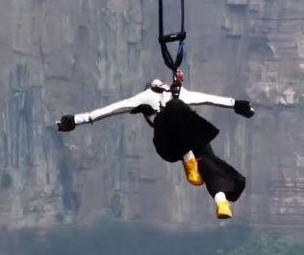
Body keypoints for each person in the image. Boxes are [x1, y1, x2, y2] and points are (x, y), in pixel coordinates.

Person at [56, 73, 255, 220]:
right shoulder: (163, 94)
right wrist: (238, 105)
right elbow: (210, 99)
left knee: (209, 164)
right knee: (188, 129)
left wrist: (76, 120)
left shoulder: (165, 94)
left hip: (178, 137)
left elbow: (112, 109)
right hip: (178, 136)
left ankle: (221, 201)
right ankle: (191, 161)